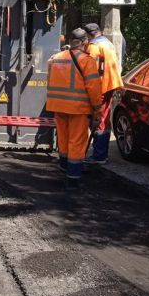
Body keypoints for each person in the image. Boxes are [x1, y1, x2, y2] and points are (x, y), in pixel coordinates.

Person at [46, 28, 102, 190]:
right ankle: (73, 177)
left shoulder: (55, 58)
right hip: (77, 107)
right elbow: (93, 87)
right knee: (77, 141)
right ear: (84, 42)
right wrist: (97, 109)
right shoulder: (86, 60)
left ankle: (64, 167)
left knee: (63, 138)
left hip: (58, 105)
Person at [83, 22, 124, 165]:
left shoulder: (94, 46)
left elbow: (90, 69)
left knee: (97, 119)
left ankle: (99, 155)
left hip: (101, 86)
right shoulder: (107, 42)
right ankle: (101, 153)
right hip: (110, 84)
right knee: (104, 118)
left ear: (88, 35)